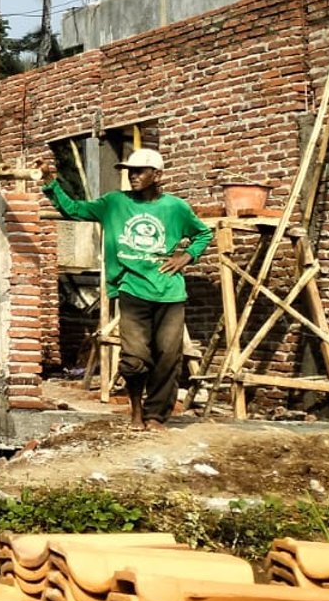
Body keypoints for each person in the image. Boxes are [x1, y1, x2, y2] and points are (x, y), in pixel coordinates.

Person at [36, 146, 213, 431]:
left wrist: (187, 256)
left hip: (170, 293)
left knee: (168, 358)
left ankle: (155, 417)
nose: (132, 176)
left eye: (139, 172)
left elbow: (203, 233)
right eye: (130, 172)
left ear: (157, 175)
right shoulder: (114, 203)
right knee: (133, 359)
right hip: (131, 290)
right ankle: (137, 411)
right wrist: (49, 182)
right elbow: (73, 210)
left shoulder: (176, 207)